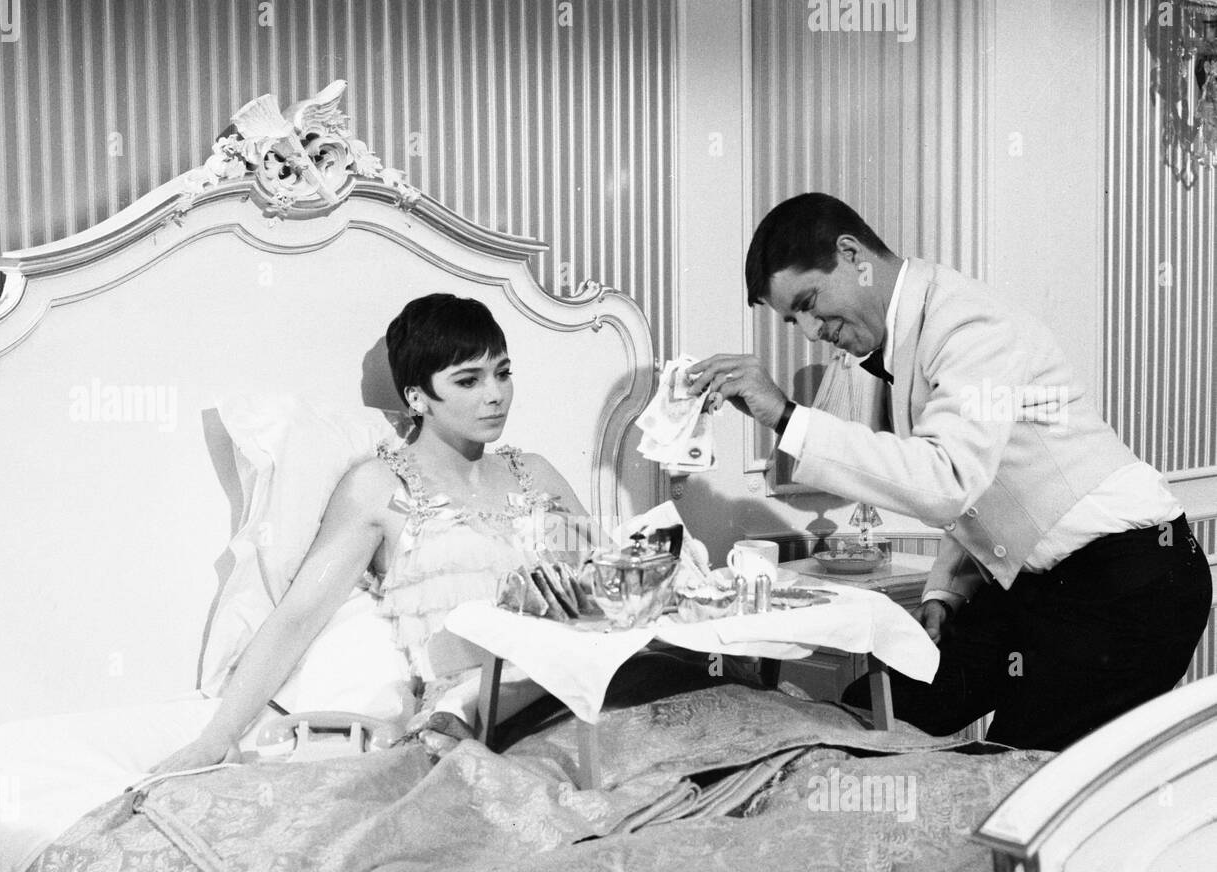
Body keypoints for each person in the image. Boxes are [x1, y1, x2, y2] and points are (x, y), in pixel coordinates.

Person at [689, 192, 1212, 751]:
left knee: (1013, 774)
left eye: (810, 303)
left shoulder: (968, 324)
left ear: (850, 253)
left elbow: (948, 481)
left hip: (1132, 582)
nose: (813, 331)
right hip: (1036, 585)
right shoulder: (914, 333)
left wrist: (789, 418)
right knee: (876, 702)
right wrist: (947, 591)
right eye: (796, 320)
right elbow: (983, 486)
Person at [152, 293, 589, 774]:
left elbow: (615, 583)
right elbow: (298, 617)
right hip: (479, 718)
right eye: (468, 380)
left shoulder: (537, 473)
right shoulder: (378, 488)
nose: (495, 395)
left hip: (580, 685)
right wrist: (217, 737)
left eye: (502, 373)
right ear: (417, 397)